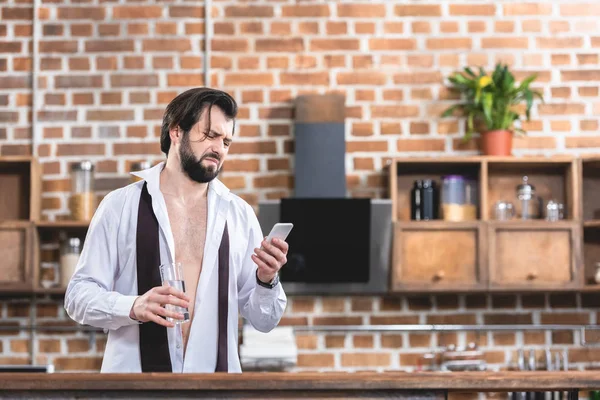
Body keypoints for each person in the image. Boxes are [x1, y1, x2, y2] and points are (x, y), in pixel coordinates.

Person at [64, 87, 288, 373]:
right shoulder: (120, 206)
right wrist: (133, 306)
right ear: (176, 131)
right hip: (134, 390)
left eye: (226, 141)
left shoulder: (239, 215)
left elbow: (264, 320)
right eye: (209, 135)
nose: (218, 148)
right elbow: (77, 297)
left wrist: (266, 280)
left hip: (214, 390)